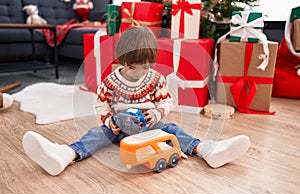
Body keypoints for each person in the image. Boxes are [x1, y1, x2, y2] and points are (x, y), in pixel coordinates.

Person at [22, 26, 250, 176]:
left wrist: (157, 114)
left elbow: (166, 101)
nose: (142, 72)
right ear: (122, 60)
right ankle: (65, 154)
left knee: (173, 129)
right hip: (119, 128)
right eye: (134, 67)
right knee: (95, 134)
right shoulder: (111, 81)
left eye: (147, 66)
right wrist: (109, 119)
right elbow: (101, 103)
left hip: (149, 127)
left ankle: (206, 150)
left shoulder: (156, 79)